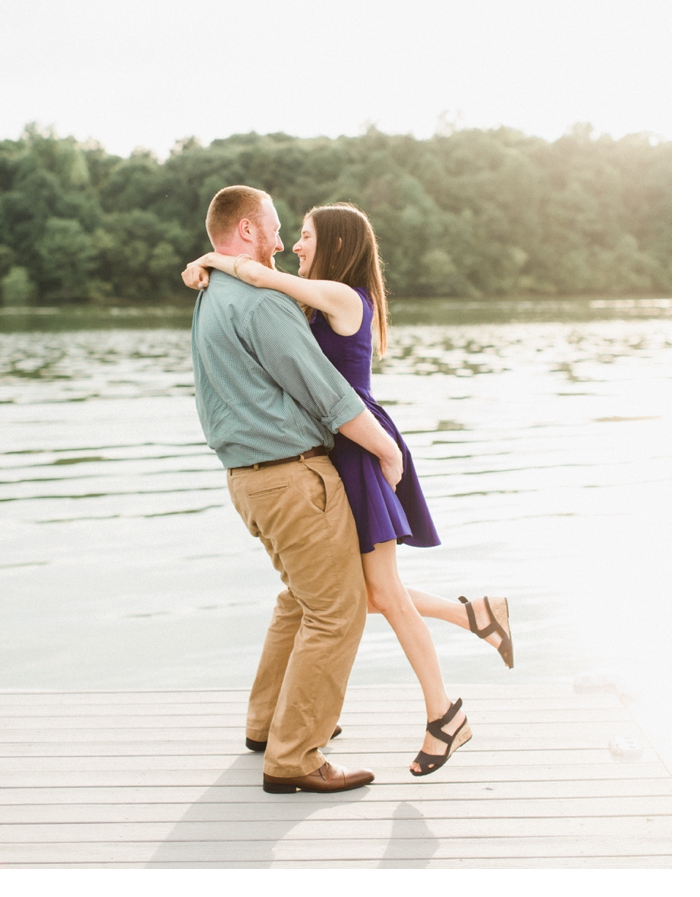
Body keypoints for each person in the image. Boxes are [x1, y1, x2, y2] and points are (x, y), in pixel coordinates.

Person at [184, 200, 514, 776]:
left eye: (305, 236)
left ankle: (445, 713)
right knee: (357, 593)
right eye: (289, 233)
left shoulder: (341, 297)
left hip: (359, 447)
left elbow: (259, 274)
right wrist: (208, 266)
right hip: (344, 447)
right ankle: (474, 617)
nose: (293, 244)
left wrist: (209, 260)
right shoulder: (305, 297)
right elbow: (262, 285)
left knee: (373, 593)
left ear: (335, 246)